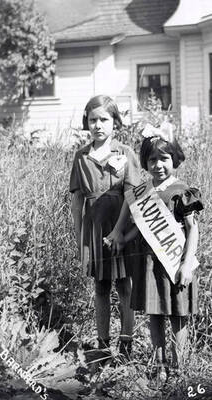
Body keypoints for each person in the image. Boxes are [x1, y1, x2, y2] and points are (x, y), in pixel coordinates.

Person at [107, 122, 203, 379]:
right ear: (145, 163)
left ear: (175, 159)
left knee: (177, 314)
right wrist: (121, 239)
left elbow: (193, 229)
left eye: (164, 158)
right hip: (149, 265)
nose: (158, 165)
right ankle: (159, 364)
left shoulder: (182, 191)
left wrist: (185, 265)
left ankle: (178, 365)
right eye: (152, 160)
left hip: (174, 263)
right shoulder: (143, 193)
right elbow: (139, 227)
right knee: (155, 313)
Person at [69, 95, 140, 359]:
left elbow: (133, 195)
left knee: (124, 285)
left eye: (104, 119)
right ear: (86, 122)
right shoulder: (81, 156)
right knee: (100, 286)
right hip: (94, 229)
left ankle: (126, 342)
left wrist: (120, 230)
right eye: (92, 119)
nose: (98, 125)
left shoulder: (125, 153)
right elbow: (77, 204)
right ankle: (103, 344)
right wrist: (79, 240)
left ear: (115, 122)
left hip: (119, 226)